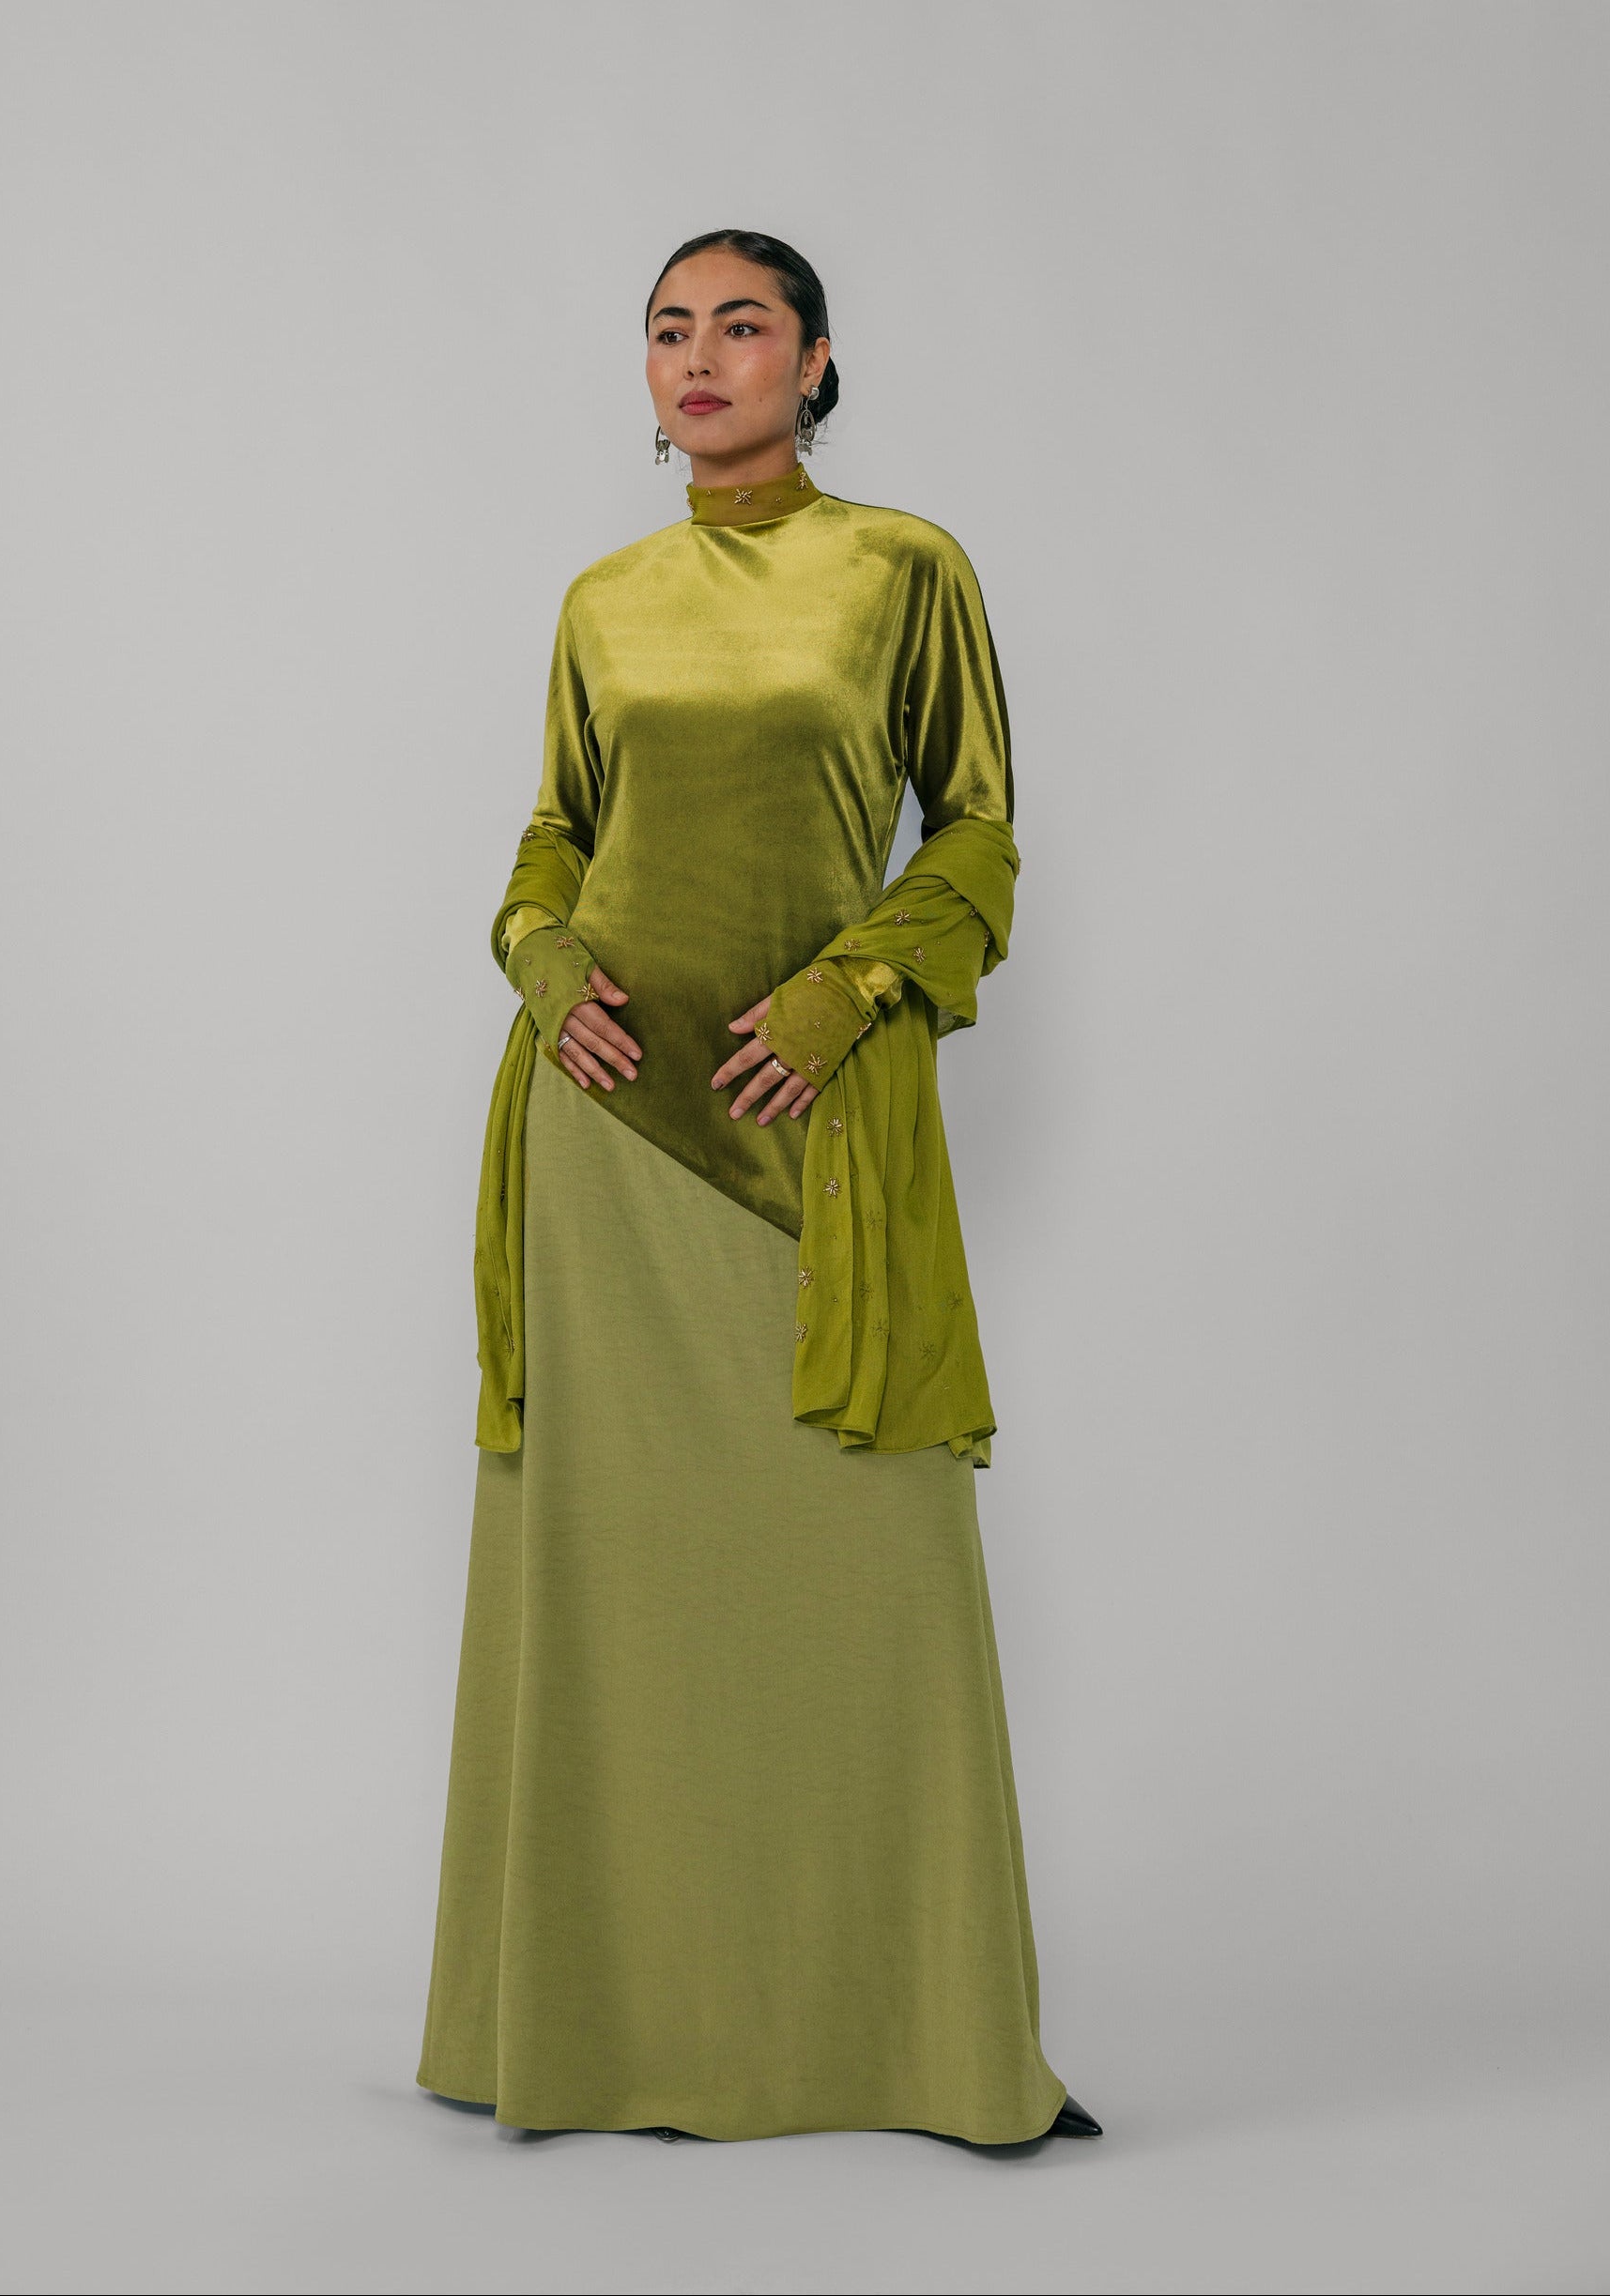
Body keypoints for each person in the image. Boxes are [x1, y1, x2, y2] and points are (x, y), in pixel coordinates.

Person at [416, 227, 1099, 2147]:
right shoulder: (604, 601)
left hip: (819, 1128)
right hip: (605, 1130)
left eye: (742, 324)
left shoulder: (904, 569)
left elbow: (979, 835)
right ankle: (604, 2031)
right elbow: (551, 839)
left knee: (869, 1573)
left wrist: (849, 987)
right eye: (669, 330)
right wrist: (541, 960)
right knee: (617, 1590)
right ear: (646, 376)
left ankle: (921, 2043)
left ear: (814, 361)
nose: (700, 355)